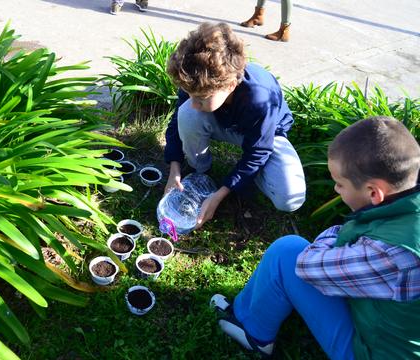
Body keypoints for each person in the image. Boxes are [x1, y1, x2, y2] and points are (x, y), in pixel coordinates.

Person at [210, 116, 420, 359]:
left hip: (376, 352)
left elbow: (308, 268)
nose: (335, 190)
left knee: (287, 253)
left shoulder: (393, 253)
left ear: (374, 193)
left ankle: (253, 333)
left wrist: (336, 236)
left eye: (340, 184)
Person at [164, 22, 306, 230]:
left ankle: (249, 178)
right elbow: (177, 121)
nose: (194, 103)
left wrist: (220, 194)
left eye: (202, 99)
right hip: (222, 121)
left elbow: (258, 150)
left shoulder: (259, 97)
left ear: (230, 85)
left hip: (266, 135)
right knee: (186, 114)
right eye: (191, 95)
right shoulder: (197, 78)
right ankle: (200, 170)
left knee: (290, 199)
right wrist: (174, 168)